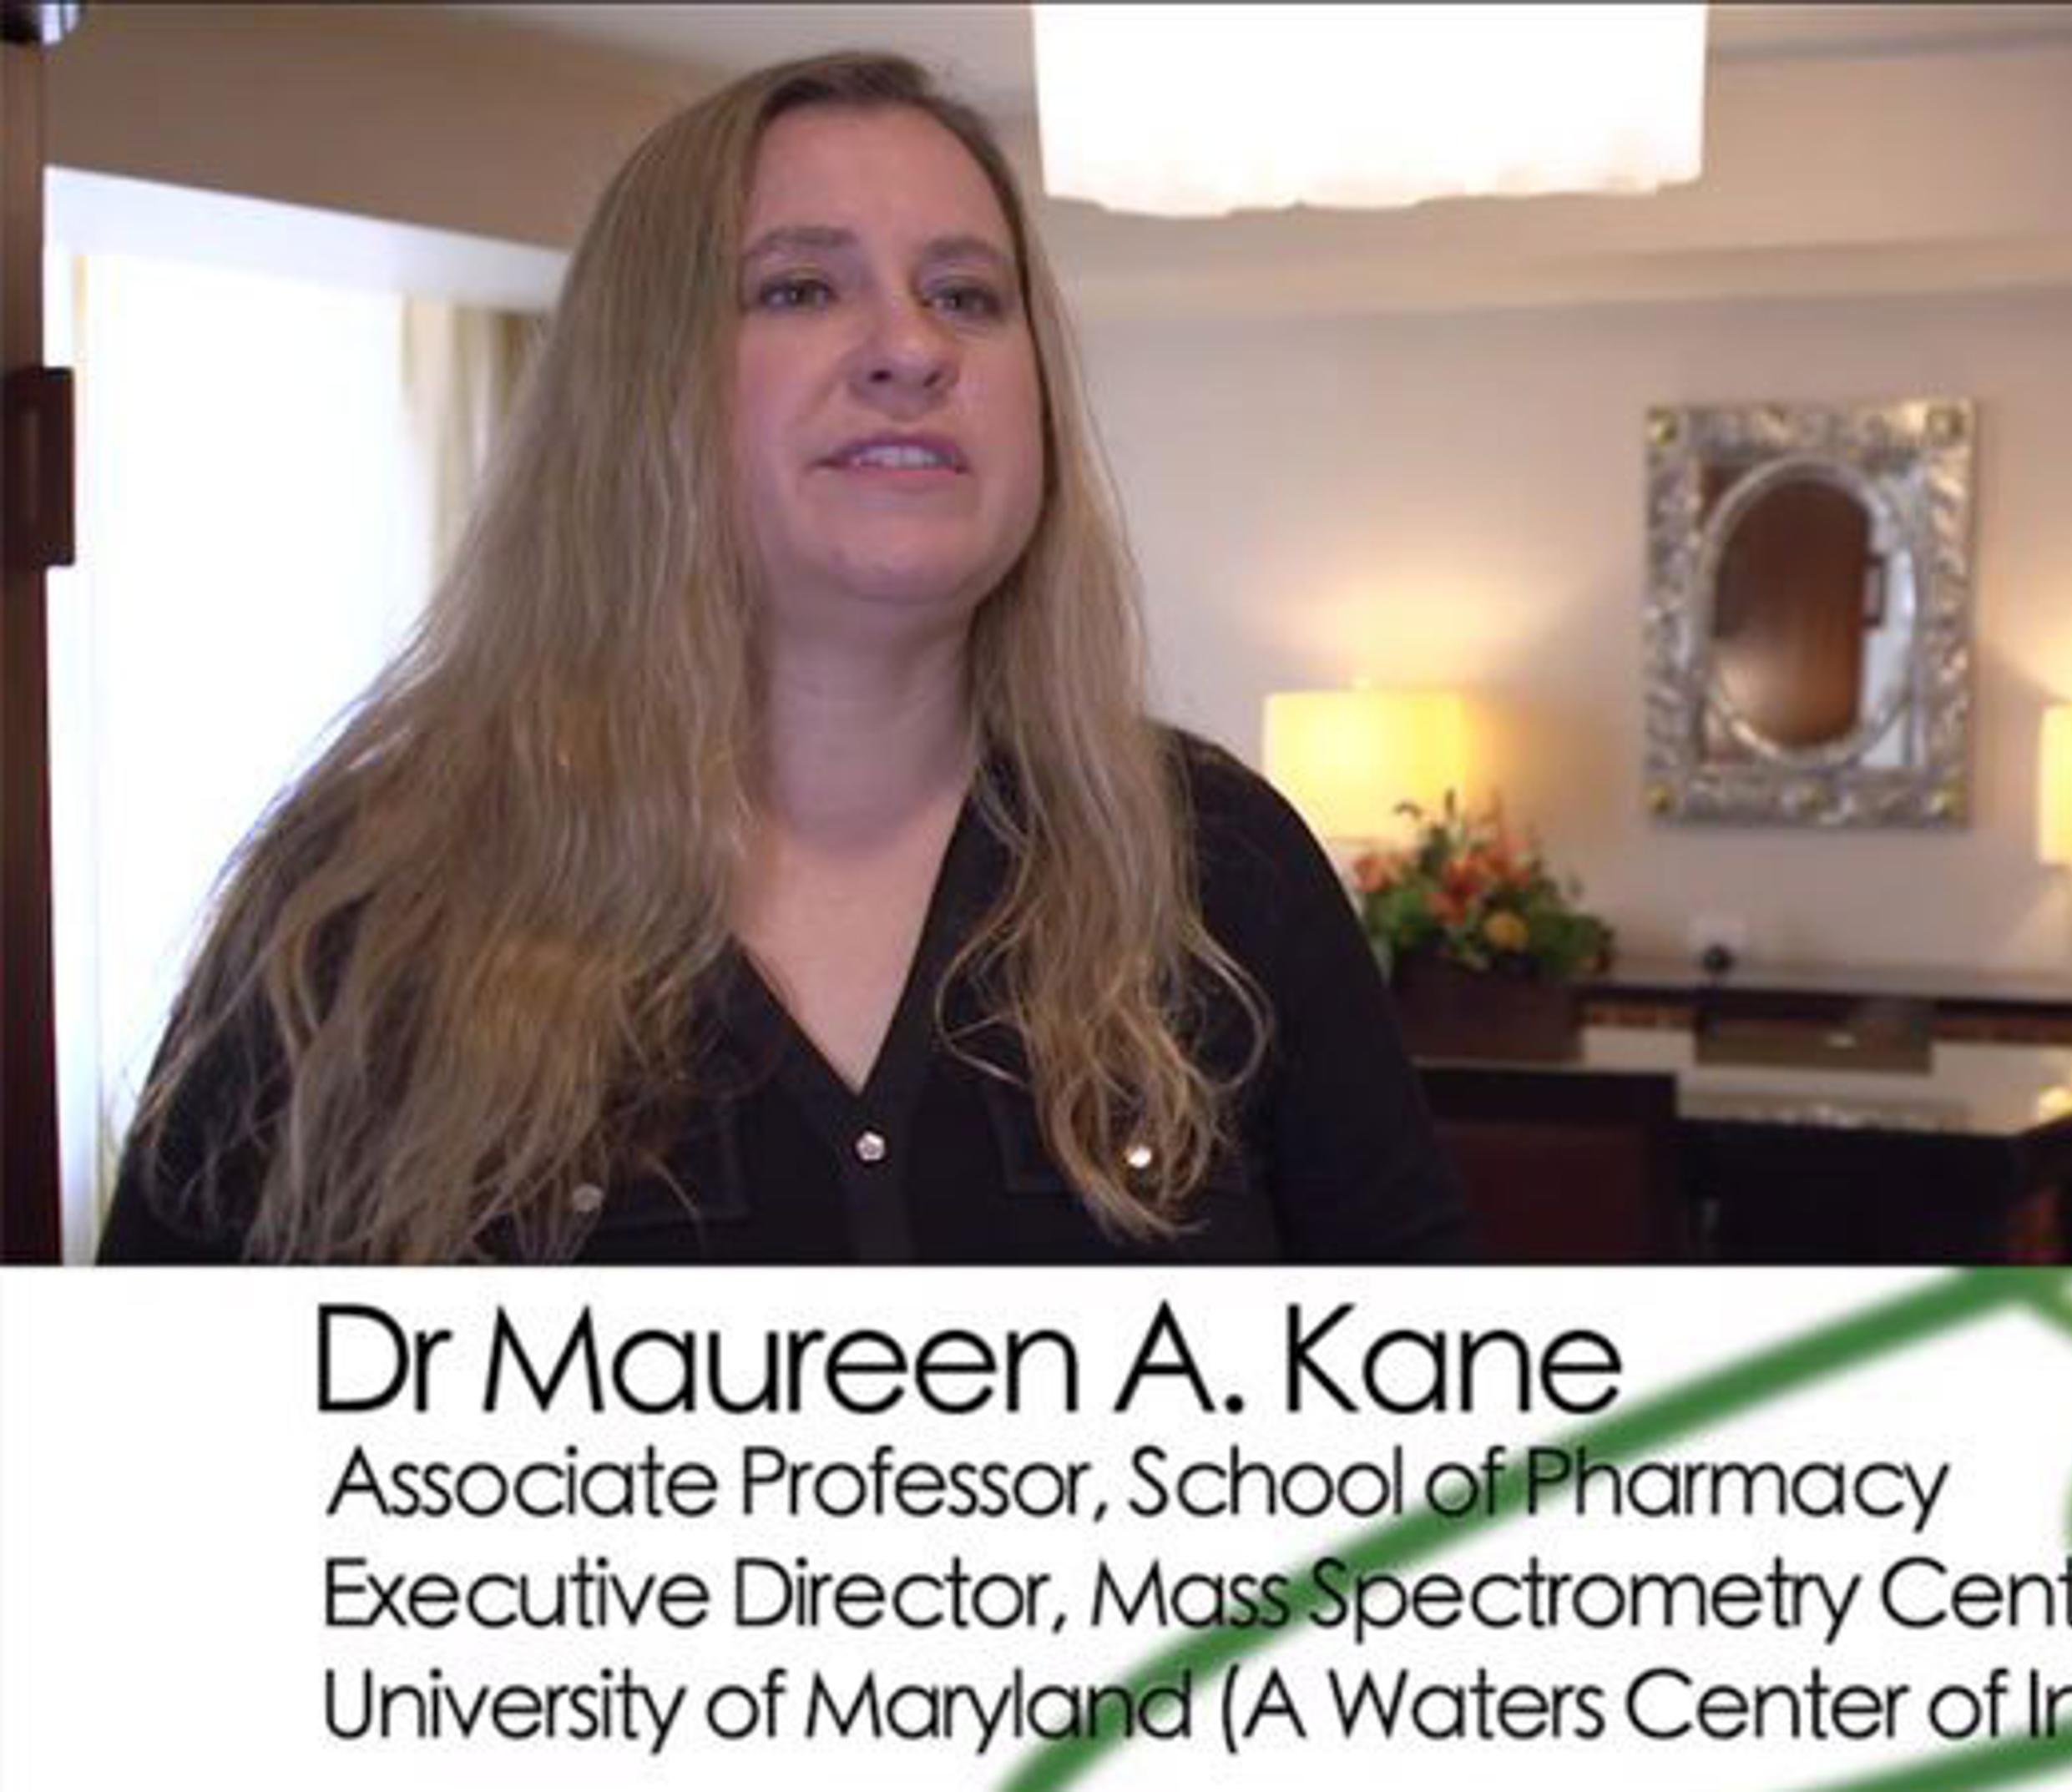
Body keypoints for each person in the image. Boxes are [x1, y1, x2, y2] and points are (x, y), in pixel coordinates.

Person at [99, 53, 1468, 1264]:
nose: (912, 349)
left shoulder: (1221, 867)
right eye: (801, 287)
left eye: (967, 295)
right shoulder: (365, 907)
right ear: (643, 389)